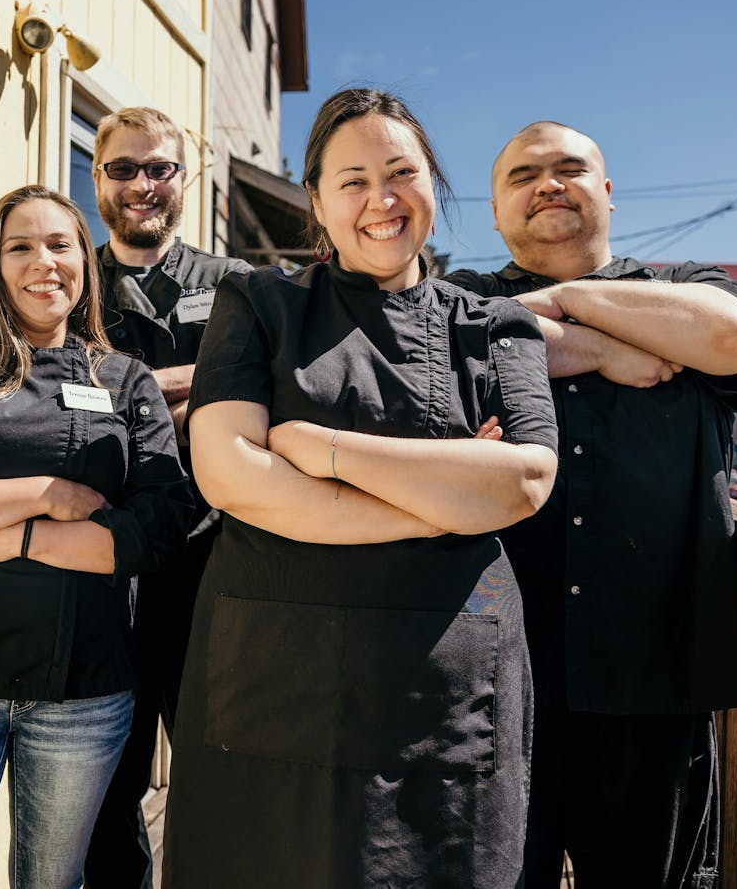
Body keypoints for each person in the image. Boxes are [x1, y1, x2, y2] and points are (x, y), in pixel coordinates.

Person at [160, 89, 560, 889]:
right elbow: (227, 470)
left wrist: (318, 449)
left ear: (432, 185)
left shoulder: (494, 324)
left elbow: (523, 480)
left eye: (401, 172)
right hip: (273, 684)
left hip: (442, 701)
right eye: (352, 180)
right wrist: (443, 496)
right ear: (315, 200)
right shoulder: (259, 302)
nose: (381, 200)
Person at [444, 121, 737, 888]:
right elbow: (442, 364)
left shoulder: (690, 288)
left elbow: (736, 340)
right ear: (495, 210)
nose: (548, 184)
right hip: (488, 686)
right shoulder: (455, 305)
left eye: (569, 169)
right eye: (524, 175)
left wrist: (560, 302)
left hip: (652, 679)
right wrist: (602, 346)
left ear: (609, 195)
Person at [0, 184, 194, 889]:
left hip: (82, 691)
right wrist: (50, 497)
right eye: (20, 246)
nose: (43, 261)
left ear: (86, 260)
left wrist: (16, 539)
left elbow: (162, 523)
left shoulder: (124, 379)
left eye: (60, 244)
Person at [82, 106, 252, 888]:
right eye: (124, 168)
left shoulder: (236, 288)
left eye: (159, 168)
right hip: (96, 566)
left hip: (212, 564)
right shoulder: (68, 278)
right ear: (98, 178)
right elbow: (48, 399)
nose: (142, 184)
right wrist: (189, 390)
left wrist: (119, 389)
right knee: (105, 786)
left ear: (186, 179)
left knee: (221, 776)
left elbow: (259, 395)